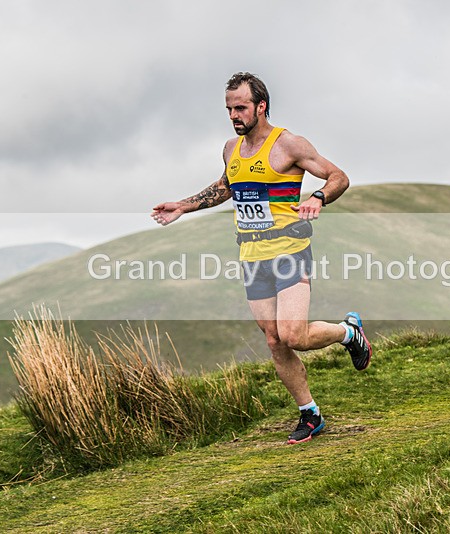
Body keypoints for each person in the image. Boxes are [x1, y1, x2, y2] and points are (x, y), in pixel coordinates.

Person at [151, 72, 372, 443]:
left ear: (261, 106)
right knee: (274, 340)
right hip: (252, 256)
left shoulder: (289, 145)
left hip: (289, 250)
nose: (234, 115)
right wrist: (183, 206)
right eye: (229, 109)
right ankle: (310, 414)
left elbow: (338, 176)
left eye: (241, 108)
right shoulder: (230, 149)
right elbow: (224, 188)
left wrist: (318, 197)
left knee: (293, 334)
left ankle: (350, 334)